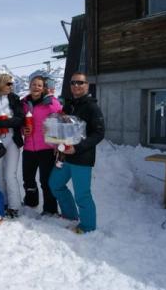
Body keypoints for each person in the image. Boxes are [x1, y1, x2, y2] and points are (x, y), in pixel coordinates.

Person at [48, 72, 105, 234]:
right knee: (55, 184)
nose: (76, 86)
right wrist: (56, 141)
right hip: (64, 156)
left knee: (82, 194)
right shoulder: (69, 105)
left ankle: (88, 226)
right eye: (73, 83)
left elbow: (99, 133)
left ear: (87, 85)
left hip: (82, 158)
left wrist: (77, 147)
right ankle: (70, 215)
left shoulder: (92, 107)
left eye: (80, 83)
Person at [21, 71, 62, 215]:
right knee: (28, 179)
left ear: (44, 87)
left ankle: (50, 209)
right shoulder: (25, 104)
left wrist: (58, 143)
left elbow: (62, 121)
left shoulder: (52, 103)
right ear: (29, 86)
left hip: (46, 148)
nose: (36, 87)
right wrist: (22, 129)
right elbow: (21, 121)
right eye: (33, 85)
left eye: (39, 85)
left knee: (46, 181)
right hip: (28, 148)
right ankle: (31, 202)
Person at [0, 73, 24, 218]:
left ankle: (14, 206)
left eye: (12, 84)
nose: (11, 86)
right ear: (0, 84)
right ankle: (3, 203)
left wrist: (1, 122)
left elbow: (20, 119)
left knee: (10, 174)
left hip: (12, 139)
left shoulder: (14, 99)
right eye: (8, 84)